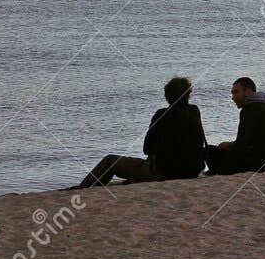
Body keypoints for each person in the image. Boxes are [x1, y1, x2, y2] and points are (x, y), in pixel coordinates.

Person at [79, 76, 207, 188]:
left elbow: (147, 148)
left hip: (166, 172)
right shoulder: (194, 111)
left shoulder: (161, 114)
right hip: (192, 170)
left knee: (109, 161)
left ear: (167, 96)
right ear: (188, 94)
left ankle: (84, 188)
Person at [204, 78, 265, 175]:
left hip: (263, 164)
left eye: (235, 93)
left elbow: (241, 145)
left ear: (248, 91)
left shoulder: (249, 110)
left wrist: (226, 150)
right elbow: (255, 139)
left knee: (209, 151)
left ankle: (216, 172)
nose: (233, 97)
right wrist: (230, 144)